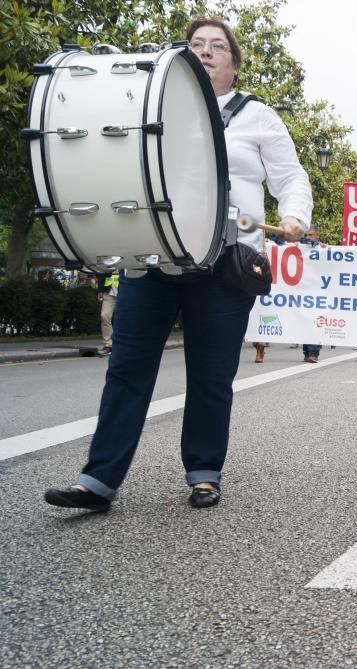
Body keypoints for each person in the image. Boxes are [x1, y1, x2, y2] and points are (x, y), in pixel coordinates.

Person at [44, 17, 312, 512]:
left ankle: (204, 473)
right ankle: (98, 481)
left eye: (217, 46)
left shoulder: (258, 118)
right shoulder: (149, 107)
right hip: (152, 258)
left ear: (234, 63)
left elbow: (291, 177)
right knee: (127, 368)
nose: (205, 51)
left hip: (223, 263)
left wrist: (294, 215)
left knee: (211, 374)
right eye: (196, 45)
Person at [300, 228, 324, 363]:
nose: (307, 237)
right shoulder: (300, 248)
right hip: (304, 291)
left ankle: (314, 352)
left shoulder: (323, 249)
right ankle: (307, 351)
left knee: (315, 322)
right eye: (305, 235)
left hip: (318, 292)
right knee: (306, 321)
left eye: (310, 235)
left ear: (317, 235)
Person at [96, 271, 119, 357]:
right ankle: (108, 345)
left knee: (126, 318)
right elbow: (102, 272)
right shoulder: (109, 258)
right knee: (104, 315)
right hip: (109, 293)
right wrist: (100, 290)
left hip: (125, 293)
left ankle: (127, 344)